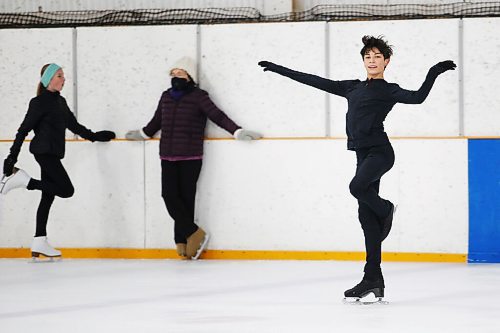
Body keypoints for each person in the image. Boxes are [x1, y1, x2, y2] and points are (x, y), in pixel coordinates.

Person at [258, 36, 456, 301]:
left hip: (381, 153)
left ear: (386, 61)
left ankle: (386, 209)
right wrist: (279, 69)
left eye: (377, 57)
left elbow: (418, 97)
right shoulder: (352, 87)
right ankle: (372, 279)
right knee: (366, 220)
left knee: (357, 187)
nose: (372, 61)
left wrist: (434, 71)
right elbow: (316, 81)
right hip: (362, 155)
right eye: (368, 57)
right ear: (363, 61)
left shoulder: (389, 89)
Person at [125, 57, 261, 260]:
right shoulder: (166, 96)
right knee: (169, 196)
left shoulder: (199, 96)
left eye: (180, 73)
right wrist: (143, 134)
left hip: (190, 156)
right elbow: (157, 121)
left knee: (186, 199)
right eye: (173, 74)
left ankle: (182, 241)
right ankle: (194, 233)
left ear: (190, 76)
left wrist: (237, 131)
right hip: (167, 155)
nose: (175, 77)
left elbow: (218, 116)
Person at [1, 63, 116, 259]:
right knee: (66, 190)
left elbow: (75, 126)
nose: (64, 79)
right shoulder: (38, 103)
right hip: (43, 152)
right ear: (49, 80)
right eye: (60, 76)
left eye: (63, 75)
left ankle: (39, 240)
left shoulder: (60, 102)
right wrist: (12, 156)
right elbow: (23, 129)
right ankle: (24, 181)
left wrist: (96, 136)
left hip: (52, 153)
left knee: (48, 195)